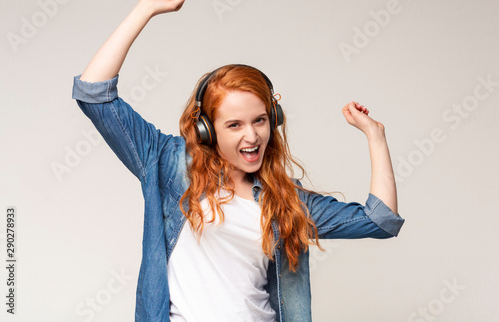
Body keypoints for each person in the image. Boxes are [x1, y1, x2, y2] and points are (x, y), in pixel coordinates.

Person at [71, 0, 405, 321]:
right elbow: (93, 93)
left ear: (273, 118)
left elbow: (381, 221)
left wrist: (376, 136)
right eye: (234, 125)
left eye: (260, 120)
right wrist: (146, 7)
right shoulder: (167, 162)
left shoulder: (286, 200)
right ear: (206, 130)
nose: (252, 136)